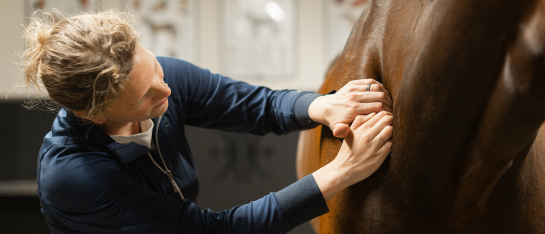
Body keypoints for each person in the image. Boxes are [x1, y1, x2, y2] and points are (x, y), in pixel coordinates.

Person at [22, 9, 393, 233]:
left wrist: (321, 107)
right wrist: (340, 172)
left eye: (153, 67)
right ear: (93, 114)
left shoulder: (163, 78)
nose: (164, 91)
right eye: (144, 98)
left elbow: (251, 104)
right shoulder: (74, 175)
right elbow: (210, 231)